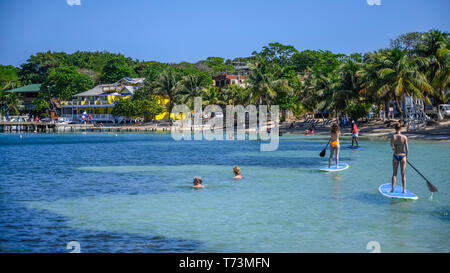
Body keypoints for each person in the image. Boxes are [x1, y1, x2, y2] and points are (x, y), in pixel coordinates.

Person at [390, 122, 409, 193]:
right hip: (403, 156)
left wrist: (393, 148)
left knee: (394, 173)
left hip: (396, 156)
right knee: (403, 174)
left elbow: (392, 146)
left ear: (395, 128)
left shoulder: (393, 137)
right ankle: (404, 190)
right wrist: (407, 157)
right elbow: (407, 149)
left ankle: (392, 189)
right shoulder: (404, 137)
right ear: (401, 128)